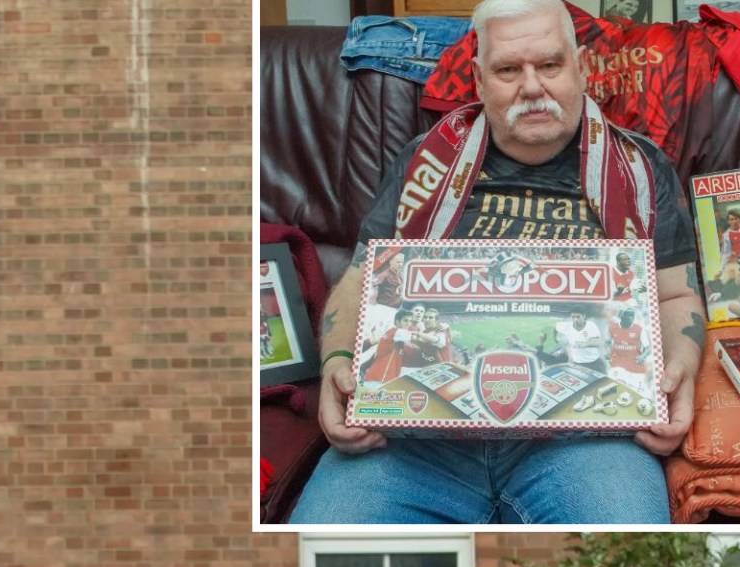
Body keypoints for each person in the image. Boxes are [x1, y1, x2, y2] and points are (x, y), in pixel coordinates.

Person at [295, 0, 705, 525]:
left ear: (580, 67)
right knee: (318, 566)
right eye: (508, 70)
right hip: (412, 441)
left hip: (583, 440)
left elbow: (674, 294)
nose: (532, 87)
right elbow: (360, 280)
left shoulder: (641, 168)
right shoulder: (427, 159)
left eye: (550, 65)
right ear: (478, 78)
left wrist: (682, 374)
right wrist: (334, 366)